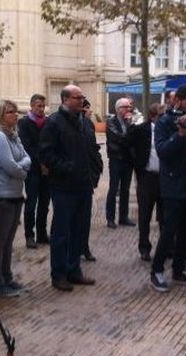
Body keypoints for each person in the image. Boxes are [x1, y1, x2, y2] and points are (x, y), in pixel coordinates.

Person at [39, 84, 97, 292]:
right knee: (61, 232)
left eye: (82, 97)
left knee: (79, 230)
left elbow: (92, 150)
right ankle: (59, 274)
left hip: (84, 185)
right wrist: (68, 168)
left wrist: (94, 171)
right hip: (63, 186)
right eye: (77, 97)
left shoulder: (84, 122)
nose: (81, 100)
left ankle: (74, 270)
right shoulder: (54, 123)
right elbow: (46, 153)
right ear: (65, 100)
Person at [150, 84, 186, 292]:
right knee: (169, 230)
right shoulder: (164, 122)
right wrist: (180, 134)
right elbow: (163, 151)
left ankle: (178, 269)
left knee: (185, 231)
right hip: (173, 184)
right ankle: (156, 270)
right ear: (177, 100)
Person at [0, 100, 31, 297]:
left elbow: (27, 158)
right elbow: (10, 166)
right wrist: (23, 171)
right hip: (0, 195)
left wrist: (21, 166)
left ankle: (7, 277)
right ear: (1, 115)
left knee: (8, 241)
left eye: (16, 111)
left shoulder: (13, 134)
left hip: (15, 193)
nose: (16, 115)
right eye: (11, 112)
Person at [127, 103, 165, 262]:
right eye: (161, 115)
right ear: (153, 116)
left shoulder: (169, 131)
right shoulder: (141, 129)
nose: (165, 118)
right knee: (145, 215)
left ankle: (165, 247)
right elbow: (127, 144)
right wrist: (137, 165)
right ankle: (144, 247)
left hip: (165, 178)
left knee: (165, 216)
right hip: (147, 177)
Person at [18, 94, 50, 249]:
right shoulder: (24, 123)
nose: (41, 109)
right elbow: (26, 146)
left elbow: (50, 144)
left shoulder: (48, 122)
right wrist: (40, 163)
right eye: (38, 106)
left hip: (47, 170)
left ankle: (42, 234)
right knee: (31, 203)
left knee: (45, 203)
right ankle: (29, 235)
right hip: (32, 169)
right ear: (31, 106)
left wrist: (47, 163)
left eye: (43, 106)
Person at [105, 97, 135, 228]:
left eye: (129, 107)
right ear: (118, 109)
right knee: (113, 188)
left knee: (125, 189)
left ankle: (123, 217)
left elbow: (134, 138)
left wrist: (129, 127)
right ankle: (110, 218)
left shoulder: (130, 122)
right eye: (126, 107)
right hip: (116, 159)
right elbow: (117, 138)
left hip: (128, 160)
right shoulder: (111, 121)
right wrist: (128, 135)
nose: (129, 109)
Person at [80, 99, 103, 262]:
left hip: (87, 176)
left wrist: (98, 167)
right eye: (88, 108)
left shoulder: (88, 124)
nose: (90, 111)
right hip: (73, 178)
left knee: (85, 216)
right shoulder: (60, 123)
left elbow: (93, 148)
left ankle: (84, 247)